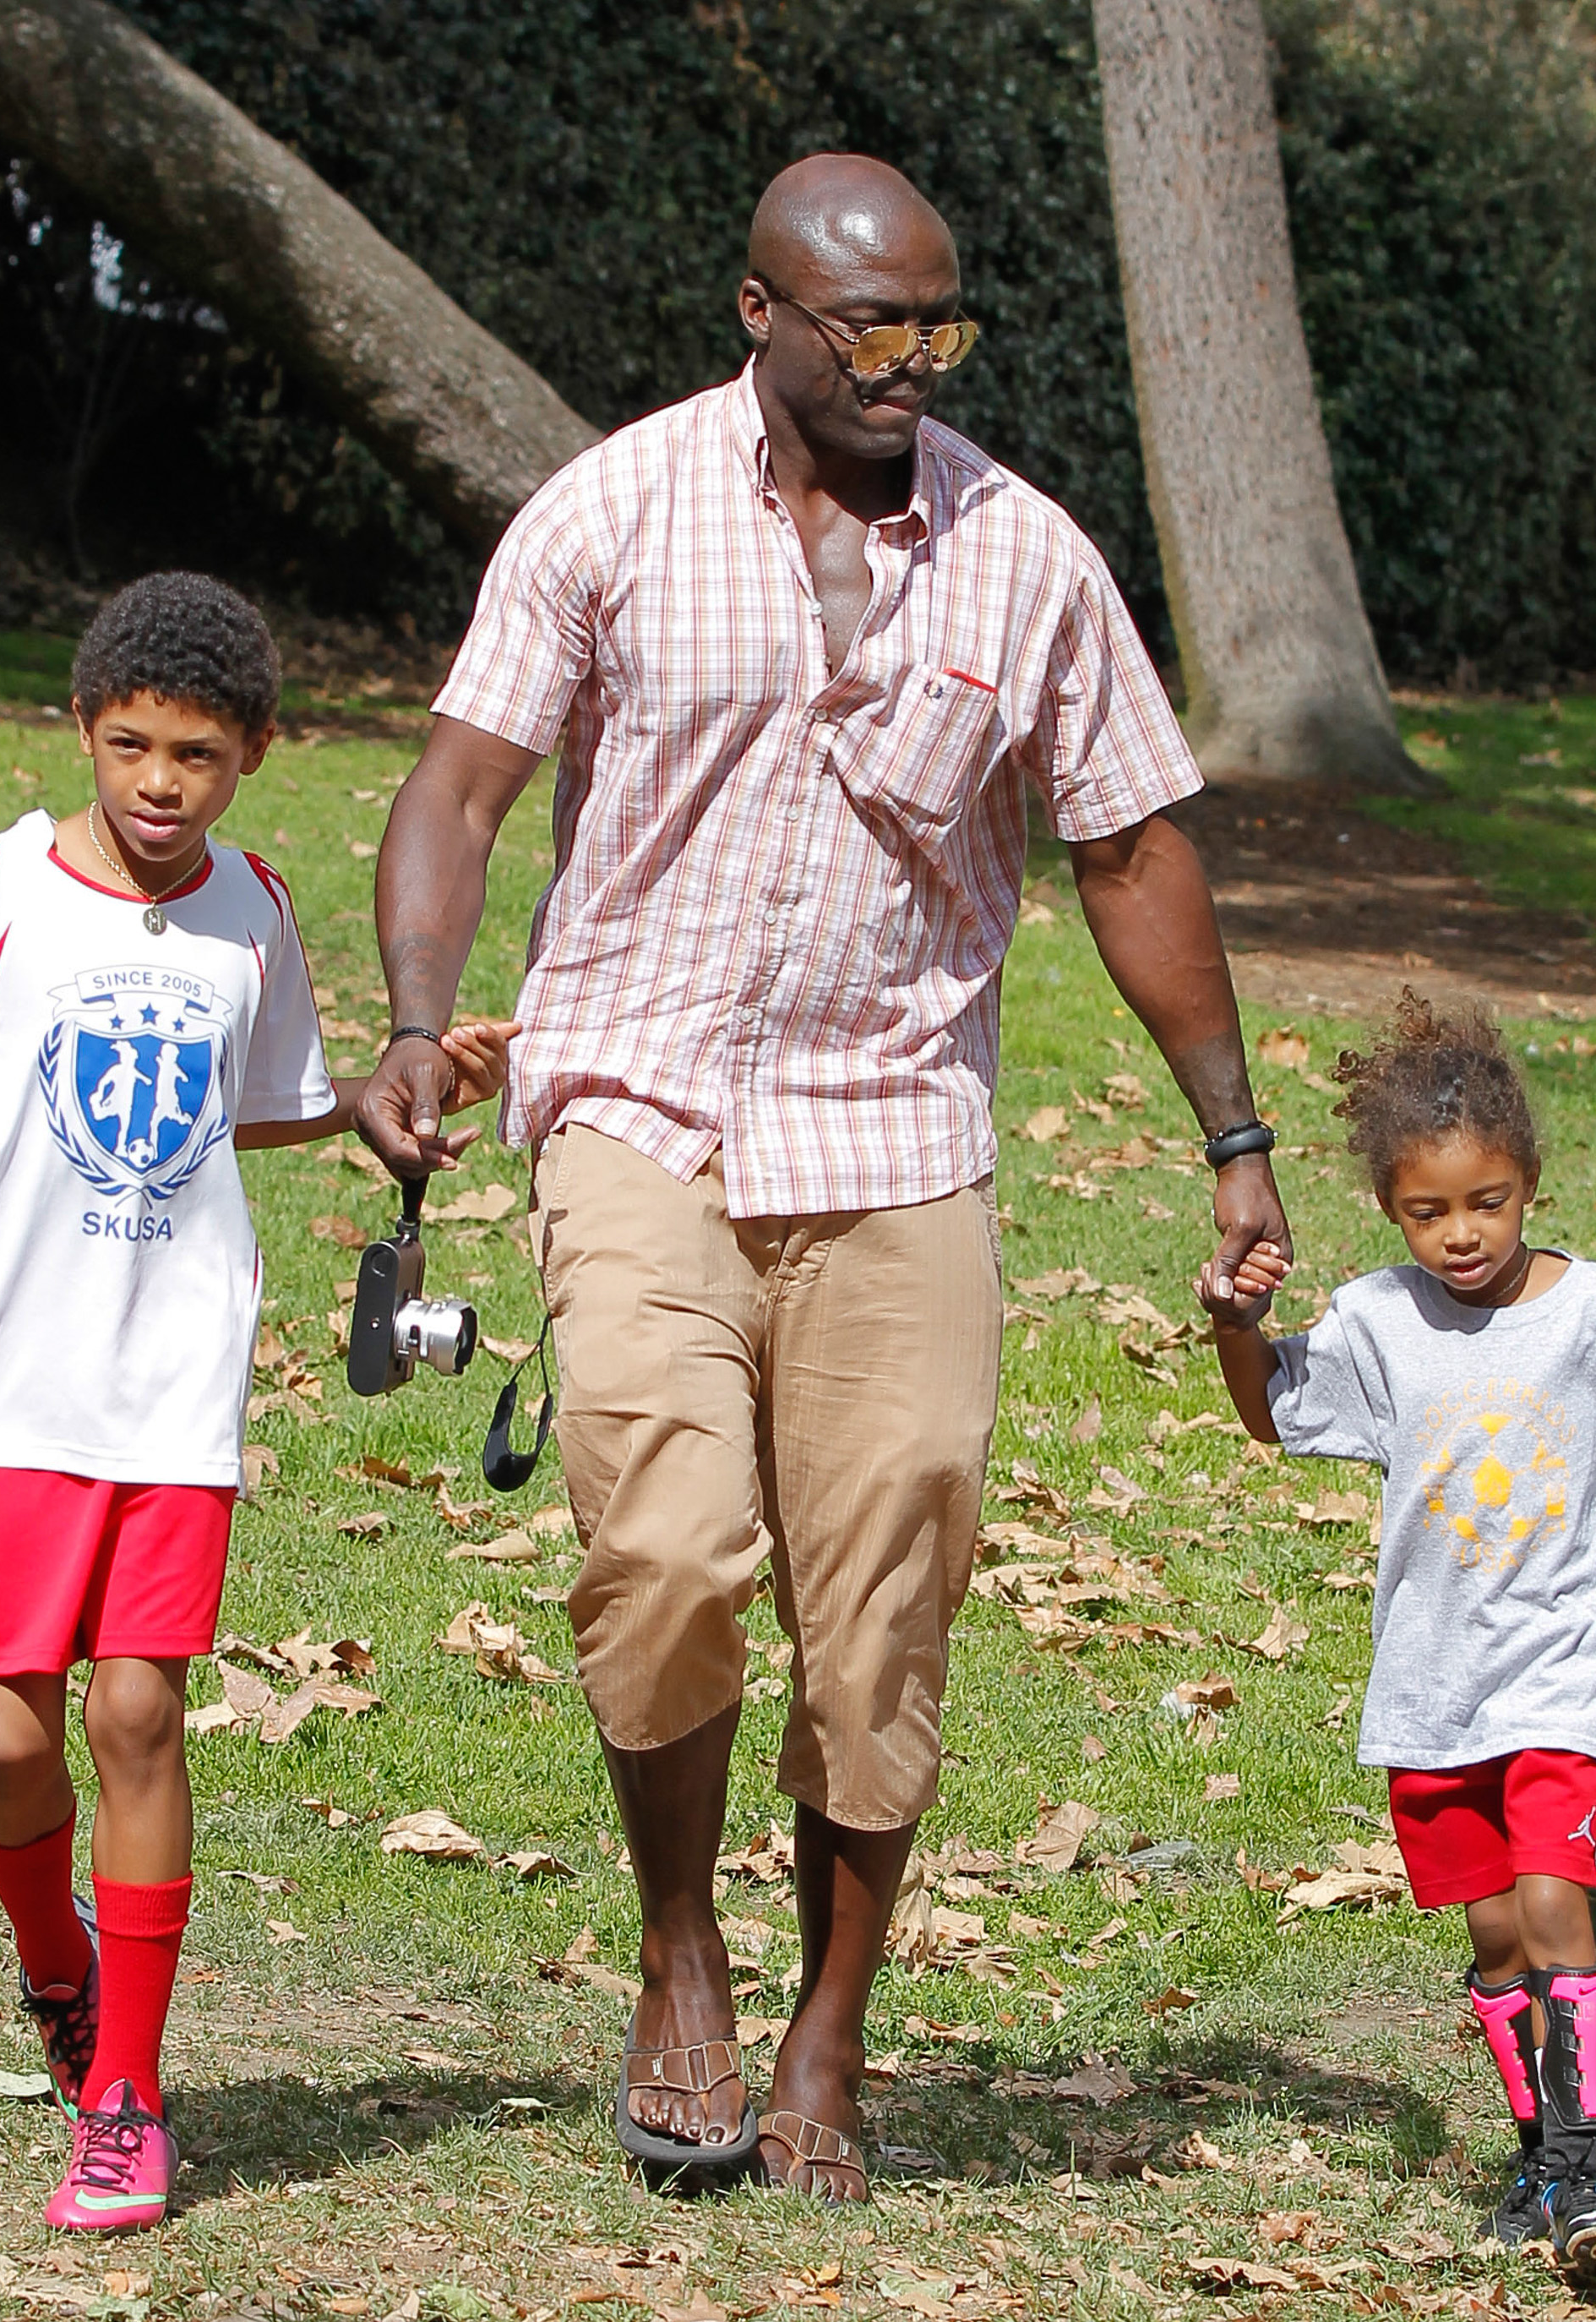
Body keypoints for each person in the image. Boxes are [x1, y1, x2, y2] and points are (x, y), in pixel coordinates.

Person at [359, 155, 1291, 2198]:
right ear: (759, 317)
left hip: (892, 1136)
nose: (907, 362)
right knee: (670, 1545)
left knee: (884, 1612)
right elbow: (460, 781)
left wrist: (1231, 1136)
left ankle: (829, 2029)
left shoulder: (1026, 559)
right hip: (637, 1104)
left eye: (936, 326)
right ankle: (678, 1946)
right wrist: (423, 1012)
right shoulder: (605, 513)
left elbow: (1131, 850)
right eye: (867, 325)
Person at [0, 571, 512, 2234]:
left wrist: (374, 1104)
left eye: (196, 752)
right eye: (129, 744)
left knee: (137, 1714)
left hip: (169, 1367)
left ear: (254, 751)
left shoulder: (251, 907)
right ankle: (54, 1965)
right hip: (2, 1375)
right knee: (2, 1733)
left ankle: (120, 2092)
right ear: (82, 725)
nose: (157, 782)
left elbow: (247, 1102)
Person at [1210, 992, 1596, 2280]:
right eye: (1429, 1211)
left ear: (1529, 1183)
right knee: (1490, 1937)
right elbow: (1275, 1413)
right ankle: (1540, 2161)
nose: (1461, 1233)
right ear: (1391, 1210)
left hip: (1570, 1668)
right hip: (1436, 1678)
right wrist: (1231, 1323)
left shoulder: (1595, 1312)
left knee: (1551, 1899)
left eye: (1487, 1201)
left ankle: (1593, 2175)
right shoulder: (1379, 1319)